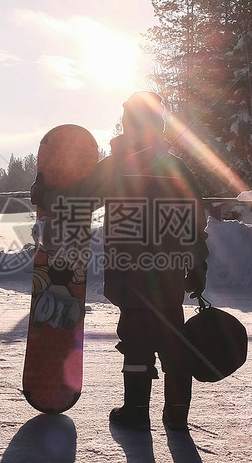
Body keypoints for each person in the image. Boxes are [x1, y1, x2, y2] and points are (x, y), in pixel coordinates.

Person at [32, 92, 208, 431]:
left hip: (131, 273)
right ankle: (176, 416)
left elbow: (78, 200)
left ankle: (135, 412)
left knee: (136, 338)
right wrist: (198, 265)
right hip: (169, 273)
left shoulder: (117, 167)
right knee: (172, 338)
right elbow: (195, 223)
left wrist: (44, 195)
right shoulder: (177, 167)